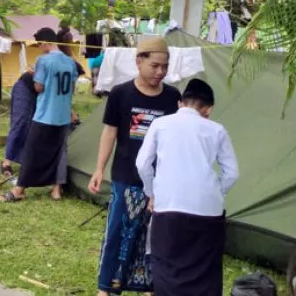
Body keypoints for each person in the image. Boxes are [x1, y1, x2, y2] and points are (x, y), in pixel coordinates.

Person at [88, 36, 181, 296]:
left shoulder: (173, 98)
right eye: (155, 66)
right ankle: (106, 287)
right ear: (139, 61)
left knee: (154, 236)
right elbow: (110, 133)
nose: (160, 72)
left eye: (165, 66)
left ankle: (150, 286)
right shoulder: (120, 93)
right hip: (125, 175)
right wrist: (99, 169)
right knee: (117, 231)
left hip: (161, 180)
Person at [136, 78, 239, 296]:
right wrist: (213, 192)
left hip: (168, 207)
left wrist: (152, 193)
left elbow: (142, 164)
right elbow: (231, 173)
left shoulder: (160, 124)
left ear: (180, 103)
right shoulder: (217, 130)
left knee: (166, 266)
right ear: (208, 109)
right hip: (208, 212)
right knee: (205, 270)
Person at [0, 28, 78, 202]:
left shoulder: (43, 60)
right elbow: (72, 88)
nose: (40, 48)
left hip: (45, 114)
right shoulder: (70, 62)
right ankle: (56, 190)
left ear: (45, 42)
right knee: (59, 151)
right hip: (62, 115)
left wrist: (37, 77)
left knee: (32, 150)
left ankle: (19, 190)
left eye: (40, 44)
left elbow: (38, 87)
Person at [0, 69, 38, 178]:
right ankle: (6, 163)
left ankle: (27, 161)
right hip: (25, 87)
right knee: (20, 123)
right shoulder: (49, 63)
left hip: (39, 91)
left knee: (34, 126)